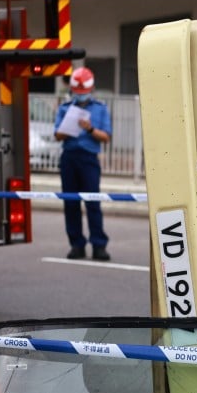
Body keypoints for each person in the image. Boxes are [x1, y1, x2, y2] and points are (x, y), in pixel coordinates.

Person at [53, 66, 113, 261]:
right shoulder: (65, 108)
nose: (80, 96)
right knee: (71, 203)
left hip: (89, 160)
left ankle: (99, 245)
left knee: (93, 203)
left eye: (83, 92)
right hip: (69, 158)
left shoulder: (100, 108)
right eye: (77, 93)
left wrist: (89, 129)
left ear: (91, 88)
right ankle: (76, 245)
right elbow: (57, 135)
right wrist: (68, 128)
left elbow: (106, 137)